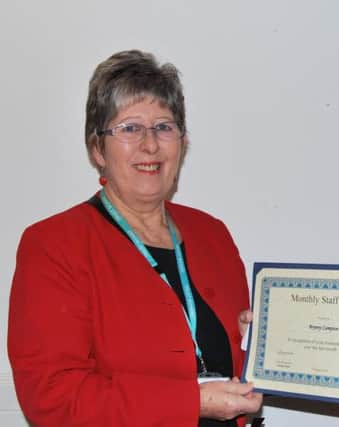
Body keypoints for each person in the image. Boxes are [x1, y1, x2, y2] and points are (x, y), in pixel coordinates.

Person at [8, 50, 261, 427]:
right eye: (129, 128)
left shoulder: (213, 235)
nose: (150, 145)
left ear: (182, 143)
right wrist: (191, 402)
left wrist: (259, 344)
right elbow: (53, 398)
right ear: (97, 149)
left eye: (164, 126)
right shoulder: (54, 245)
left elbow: (240, 371)